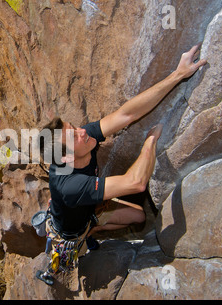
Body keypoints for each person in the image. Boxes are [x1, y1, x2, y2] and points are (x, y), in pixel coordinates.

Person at [40, 44, 207, 252]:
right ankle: (90, 232)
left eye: (74, 127)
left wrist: (178, 75)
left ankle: (94, 225)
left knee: (139, 215)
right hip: (72, 231)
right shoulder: (70, 186)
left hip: (88, 206)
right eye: (74, 135)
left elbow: (126, 115)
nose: (82, 131)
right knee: (113, 221)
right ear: (65, 158)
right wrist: (150, 142)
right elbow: (136, 183)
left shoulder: (84, 138)